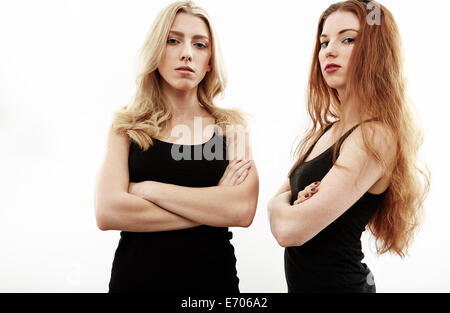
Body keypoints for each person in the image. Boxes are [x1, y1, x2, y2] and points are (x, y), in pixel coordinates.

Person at [94, 0, 259, 293]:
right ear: (157, 51)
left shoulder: (233, 129)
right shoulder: (125, 127)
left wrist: (149, 190)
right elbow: (108, 212)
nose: (186, 53)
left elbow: (242, 210)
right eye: (173, 40)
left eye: (199, 45)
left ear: (210, 61)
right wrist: (214, 203)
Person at [267, 0, 429, 293]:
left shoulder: (374, 136)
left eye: (348, 39)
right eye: (324, 42)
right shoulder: (328, 130)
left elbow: (289, 230)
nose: (329, 50)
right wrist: (285, 206)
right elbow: (281, 211)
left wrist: (281, 206)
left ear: (376, 52)